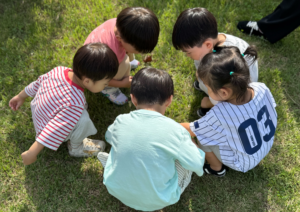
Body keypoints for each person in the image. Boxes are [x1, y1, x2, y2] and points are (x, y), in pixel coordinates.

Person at [97, 67, 205, 211]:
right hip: (160, 199)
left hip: (115, 189)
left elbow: (109, 136)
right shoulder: (176, 131)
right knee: (184, 160)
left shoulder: (121, 121)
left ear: (133, 98)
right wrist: (193, 145)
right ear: (169, 100)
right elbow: (197, 164)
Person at [9, 43, 119, 165]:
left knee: (76, 111)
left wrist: (20, 96)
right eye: (105, 83)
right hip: (45, 126)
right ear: (87, 81)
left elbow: (37, 83)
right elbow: (54, 128)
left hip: (40, 114)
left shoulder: (60, 70)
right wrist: (32, 152)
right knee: (83, 121)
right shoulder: (74, 105)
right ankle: (76, 147)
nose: (106, 85)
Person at [181, 46, 277, 176]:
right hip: (265, 146)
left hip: (243, 162)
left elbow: (193, 130)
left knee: (203, 137)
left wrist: (169, 125)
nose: (207, 90)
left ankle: (216, 168)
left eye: (208, 87)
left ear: (224, 92)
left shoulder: (220, 114)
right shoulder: (261, 87)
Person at [172, 7, 259, 117]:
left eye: (188, 53)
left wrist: (209, 102)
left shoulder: (218, 64)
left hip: (235, 95)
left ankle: (210, 107)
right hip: (232, 86)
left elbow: (229, 94)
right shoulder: (212, 41)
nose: (187, 56)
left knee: (212, 99)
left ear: (208, 45)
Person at [84, 7, 160, 105]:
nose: (140, 52)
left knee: (126, 59)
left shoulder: (122, 26)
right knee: (124, 63)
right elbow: (97, 78)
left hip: (106, 57)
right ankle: (108, 89)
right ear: (119, 39)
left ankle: (127, 63)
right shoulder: (109, 55)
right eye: (138, 50)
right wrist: (121, 84)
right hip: (96, 73)